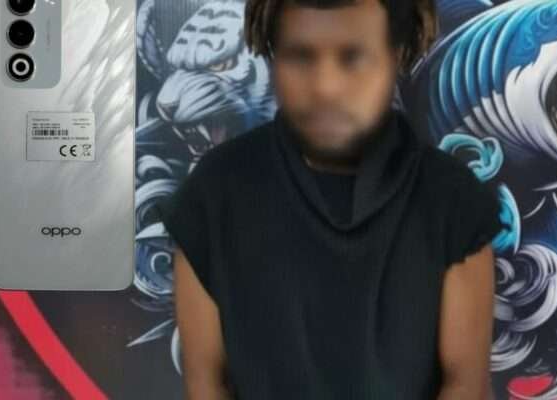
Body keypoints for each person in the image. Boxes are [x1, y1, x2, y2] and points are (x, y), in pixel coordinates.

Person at [157, 0, 508, 398]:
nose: (326, 87)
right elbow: (206, 384)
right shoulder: (213, 193)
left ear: (396, 56)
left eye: (353, 57)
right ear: (272, 57)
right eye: (300, 57)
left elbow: (465, 386)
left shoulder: (452, 198)